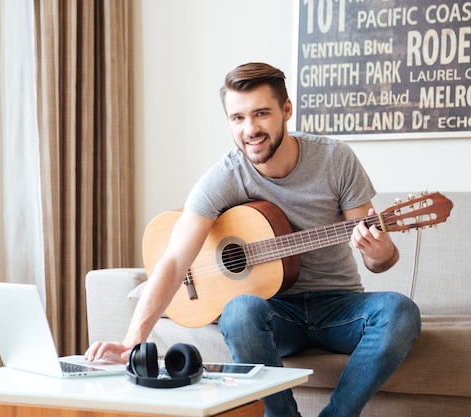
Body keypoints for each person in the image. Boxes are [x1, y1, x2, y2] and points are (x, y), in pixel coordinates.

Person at [85, 62, 421, 417]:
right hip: (273, 310)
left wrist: (380, 251)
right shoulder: (226, 176)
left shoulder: (335, 159)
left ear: (286, 110)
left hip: (339, 305)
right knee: (239, 310)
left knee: (399, 311)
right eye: (238, 118)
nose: (250, 129)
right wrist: (132, 341)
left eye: (261, 113)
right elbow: (173, 261)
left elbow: (376, 259)